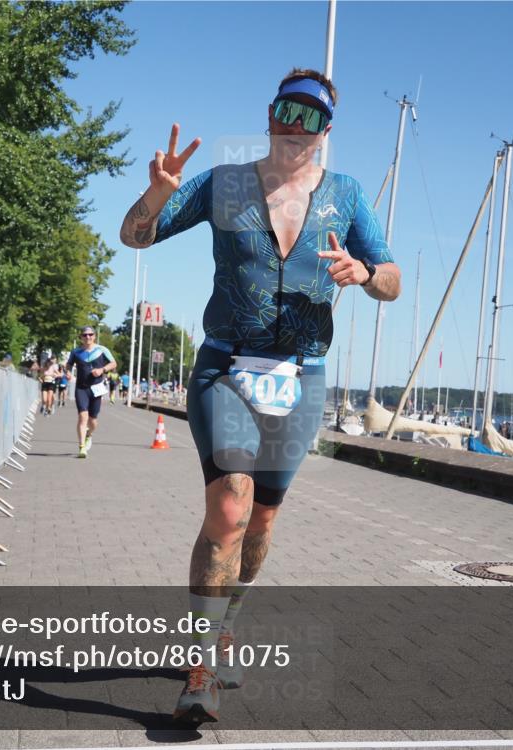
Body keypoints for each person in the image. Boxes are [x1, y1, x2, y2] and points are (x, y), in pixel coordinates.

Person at [119, 68, 400, 724]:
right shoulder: (225, 185)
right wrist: (156, 195)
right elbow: (135, 236)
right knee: (230, 508)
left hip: (301, 378)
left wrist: (364, 274)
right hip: (225, 369)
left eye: (311, 118)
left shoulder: (347, 197)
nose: (295, 128)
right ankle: (200, 672)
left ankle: (225, 626)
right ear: (270, 113)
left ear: (327, 131)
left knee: (263, 521)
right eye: (287, 112)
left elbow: (393, 279)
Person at [66, 326, 117, 458]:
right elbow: (69, 364)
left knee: (93, 421)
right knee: (83, 417)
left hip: (96, 388)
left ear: (94, 336)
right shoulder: (76, 352)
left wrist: (102, 370)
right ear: (81, 337)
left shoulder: (102, 350)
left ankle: (89, 434)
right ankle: (82, 447)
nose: (87, 337)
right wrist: (68, 373)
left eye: (90, 334)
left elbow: (113, 363)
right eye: (85, 335)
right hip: (81, 388)